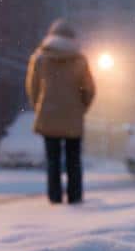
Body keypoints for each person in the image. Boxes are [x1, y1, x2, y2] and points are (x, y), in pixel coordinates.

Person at [26, 19, 96, 204]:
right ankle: (75, 195)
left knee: (53, 160)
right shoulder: (79, 60)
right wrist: (81, 107)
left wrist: (39, 106)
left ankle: (54, 196)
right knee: (74, 159)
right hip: (73, 117)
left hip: (49, 115)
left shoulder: (40, 58)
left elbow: (33, 88)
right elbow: (89, 89)